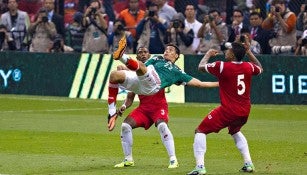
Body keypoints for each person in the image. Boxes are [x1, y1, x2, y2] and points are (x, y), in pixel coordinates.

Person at [107, 36, 219, 131]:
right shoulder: (157, 58)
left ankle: (122, 56)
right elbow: (143, 68)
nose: (167, 51)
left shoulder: (178, 72)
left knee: (140, 66)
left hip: (154, 85)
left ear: (176, 56)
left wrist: (219, 84)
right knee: (114, 75)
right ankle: (111, 113)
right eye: (166, 49)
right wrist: (125, 71)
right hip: (143, 81)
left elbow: (200, 83)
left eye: (171, 50)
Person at [187, 38, 263, 175]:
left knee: (200, 131)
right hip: (244, 111)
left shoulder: (222, 66)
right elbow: (260, 69)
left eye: (229, 50)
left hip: (228, 110)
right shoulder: (248, 66)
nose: (226, 51)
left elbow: (200, 67)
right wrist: (249, 52)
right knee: (234, 131)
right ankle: (248, 163)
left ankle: (199, 167)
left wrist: (208, 54)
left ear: (233, 54)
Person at [114, 46, 179, 169]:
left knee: (162, 126)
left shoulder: (156, 68)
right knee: (125, 126)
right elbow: (130, 97)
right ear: (137, 57)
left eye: (145, 52)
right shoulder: (135, 74)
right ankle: (128, 160)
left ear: (149, 55)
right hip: (143, 109)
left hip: (159, 107)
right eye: (140, 53)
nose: (143, 54)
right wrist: (123, 106)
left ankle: (173, 159)